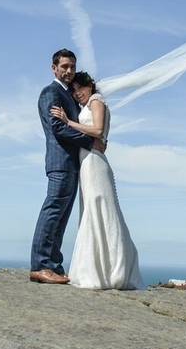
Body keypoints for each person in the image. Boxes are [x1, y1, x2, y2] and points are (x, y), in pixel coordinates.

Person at [50, 71, 144, 290]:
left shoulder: (96, 101)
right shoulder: (87, 104)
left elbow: (98, 130)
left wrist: (68, 121)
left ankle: (111, 270)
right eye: (73, 91)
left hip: (95, 162)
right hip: (88, 161)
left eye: (79, 89)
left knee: (101, 210)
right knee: (92, 211)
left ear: (89, 86)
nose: (76, 94)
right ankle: (99, 269)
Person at [30, 49, 106, 285]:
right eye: (64, 66)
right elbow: (58, 129)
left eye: (72, 66)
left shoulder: (70, 95)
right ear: (54, 68)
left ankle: (53, 264)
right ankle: (41, 265)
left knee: (62, 216)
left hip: (73, 163)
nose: (69, 71)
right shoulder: (50, 93)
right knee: (53, 211)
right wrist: (91, 142)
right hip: (60, 162)